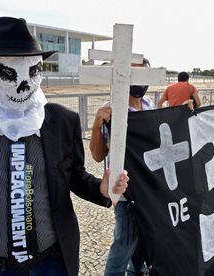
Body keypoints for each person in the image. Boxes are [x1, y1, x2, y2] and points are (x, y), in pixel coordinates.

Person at [0, 17, 128, 276]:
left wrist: (101, 189)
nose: (23, 84)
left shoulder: (63, 120)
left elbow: (73, 175)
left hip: (51, 262)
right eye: (8, 72)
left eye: (33, 69)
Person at [90, 58, 152, 275]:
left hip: (148, 189)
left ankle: (137, 271)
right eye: (133, 74)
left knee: (142, 239)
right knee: (123, 243)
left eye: (143, 74)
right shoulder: (112, 110)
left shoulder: (149, 106)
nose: (139, 81)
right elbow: (97, 156)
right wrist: (98, 123)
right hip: (125, 192)